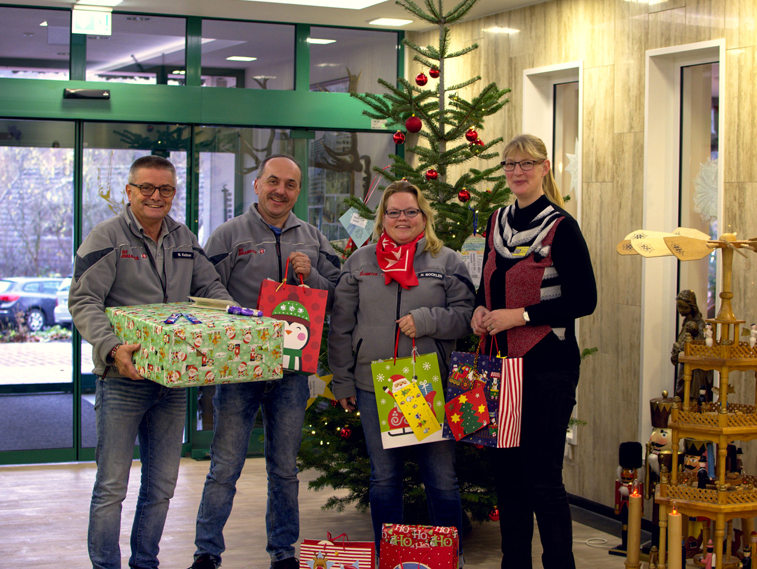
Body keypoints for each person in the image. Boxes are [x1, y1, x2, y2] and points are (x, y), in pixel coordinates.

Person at [69, 155, 236, 569]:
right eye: (146, 188)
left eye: (165, 189)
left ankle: (146, 563)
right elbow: (83, 300)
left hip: (173, 383)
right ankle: (106, 565)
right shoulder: (106, 237)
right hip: (121, 379)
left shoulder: (183, 238)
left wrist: (237, 318)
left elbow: (209, 286)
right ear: (129, 191)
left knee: (161, 486)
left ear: (173, 193)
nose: (156, 196)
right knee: (112, 487)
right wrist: (112, 346)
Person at [190, 155, 341, 569]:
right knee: (225, 466)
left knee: (284, 469)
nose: (281, 191)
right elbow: (202, 286)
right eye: (273, 182)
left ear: (297, 191)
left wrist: (312, 275)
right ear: (257, 185)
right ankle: (207, 552)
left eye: (290, 185)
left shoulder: (312, 236)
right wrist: (236, 318)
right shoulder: (229, 235)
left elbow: (340, 289)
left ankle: (283, 552)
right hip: (240, 369)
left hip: (292, 373)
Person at [329, 180, 475, 561]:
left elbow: (465, 319)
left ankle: (450, 555)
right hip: (372, 385)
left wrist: (426, 320)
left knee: (441, 479)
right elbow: (341, 326)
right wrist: (341, 378)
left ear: (424, 216)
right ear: (382, 218)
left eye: (410, 211)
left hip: (430, 386)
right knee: (384, 479)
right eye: (393, 212)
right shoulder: (360, 263)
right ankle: (388, 555)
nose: (402, 218)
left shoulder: (447, 261)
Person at [471, 133, 597, 569]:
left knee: (542, 478)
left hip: (548, 366)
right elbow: (487, 281)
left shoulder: (562, 226)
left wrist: (520, 316)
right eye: (510, 164)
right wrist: (480, 309)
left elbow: (584, 300)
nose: (517, 172)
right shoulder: (495, 221)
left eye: (527, 163)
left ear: (545, 168)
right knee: (506, 478)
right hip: (496, 365)